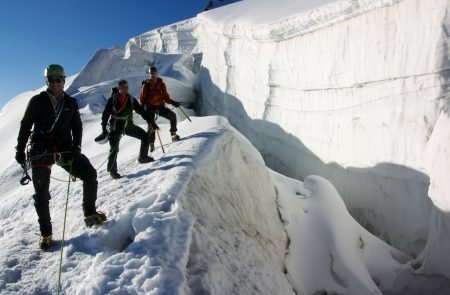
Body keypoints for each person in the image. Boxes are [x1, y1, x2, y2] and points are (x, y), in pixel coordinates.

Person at [15, 64, 107, 250]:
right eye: (52, 80)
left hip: (65, 148)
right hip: (41, 149)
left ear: (64, 81)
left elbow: (77, 127)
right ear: (47, 82)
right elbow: (26, 125)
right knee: (42, 194)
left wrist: (77, 147)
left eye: (59, 79)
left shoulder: (70, 103)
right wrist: (20, 149)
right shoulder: (37, 101)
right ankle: (46, 233)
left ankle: (89, 213)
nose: (56, 83)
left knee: (89, 174)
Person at [101, 79, 159, 179]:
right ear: (119, 88)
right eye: (123, 87)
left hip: (128, 125)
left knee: (145, 136)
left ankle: (143, 157)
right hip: (115, 125)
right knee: (114, 149)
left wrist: (151, 122)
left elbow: (142, 111)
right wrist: (104, 128)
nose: (125, 89)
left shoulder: (131, 100)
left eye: (127, 87)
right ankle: (112, 171)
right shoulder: (113, 100)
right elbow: (105, 114)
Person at [140, 66, 181, 151]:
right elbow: (142, 99)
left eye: (155, 73)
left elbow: (165, 97)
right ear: (149, 74)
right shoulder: (146, 85)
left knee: (172, 116)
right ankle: (151, 144)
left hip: (160, 106)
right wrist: (142, 110)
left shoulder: (161, 84)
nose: (153, 75)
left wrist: (173, 102)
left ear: (157, 73)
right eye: (152, 73)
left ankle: (173, 134)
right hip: (149, 107)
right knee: (151, 124)